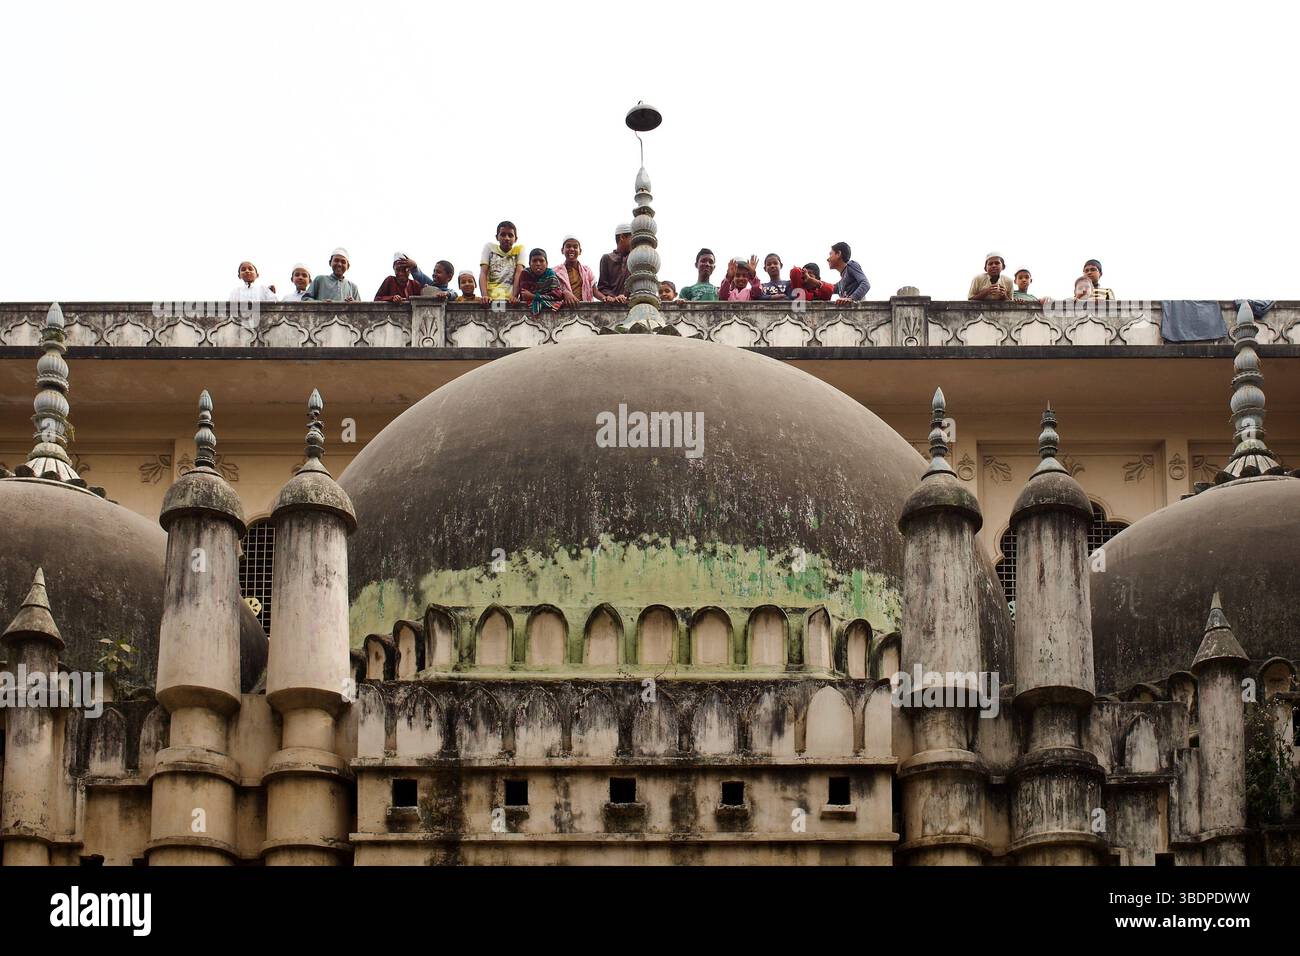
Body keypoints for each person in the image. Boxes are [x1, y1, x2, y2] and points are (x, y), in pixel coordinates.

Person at [480, 221, 524, 303]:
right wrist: (484, 296)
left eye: (510, 235)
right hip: (491, 298)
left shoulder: (519, 250)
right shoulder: (489, 248)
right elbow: (483, 273)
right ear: (497, 237)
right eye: (503, 234)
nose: (507, 238)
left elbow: (519, 273)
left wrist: (514, 296)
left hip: (510, 299)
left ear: (515, 239)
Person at [515, 249, 564, 314]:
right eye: (534, 261)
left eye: (541, 261)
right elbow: (525, 296)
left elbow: (557, 295)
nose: (538, 264)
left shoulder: (550, 274)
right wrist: (542, 297)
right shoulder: (525, 273)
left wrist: (534, 296)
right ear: (529, 264)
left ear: (546, 264)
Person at [554, 236, 598, 304]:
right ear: (562, 250)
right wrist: (564, 292)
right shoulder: (555, 272)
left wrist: (605, 298)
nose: (572, 249)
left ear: (580, 251)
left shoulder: (587, 271)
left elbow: (595, 292)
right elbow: (551, 291)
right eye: (568, 246)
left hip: (585, 309)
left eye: (575, 247)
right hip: (563, 310)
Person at [597, 224, 633, 303]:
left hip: (632, 306)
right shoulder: (606, 258)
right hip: (612, 308)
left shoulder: (634, 258)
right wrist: (614, 297)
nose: (634, 243)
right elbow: (602, 287)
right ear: (622, 237)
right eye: (632, 239)